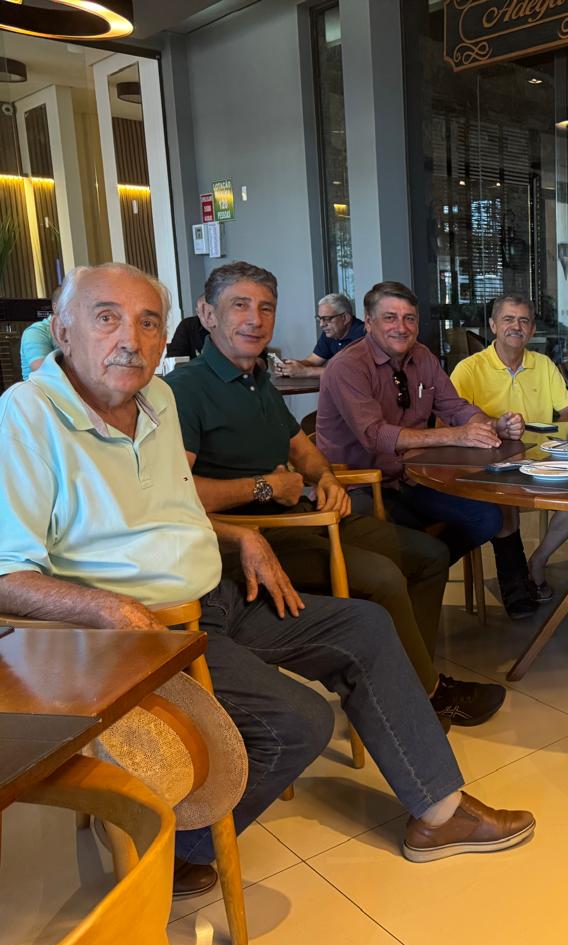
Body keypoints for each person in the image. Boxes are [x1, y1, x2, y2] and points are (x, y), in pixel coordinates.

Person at [0, 263, 535, 898]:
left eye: (147, 323)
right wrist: (109, 611)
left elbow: (173, 506)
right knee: (298, 721)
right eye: (106, 318)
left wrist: (240, 536)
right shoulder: (27, 416)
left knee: (365, 625)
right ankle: (169, 848)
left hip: (214, 598)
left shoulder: (156, 400)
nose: (131, 340)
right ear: (63, 330)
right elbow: (6, 574)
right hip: (140, 637)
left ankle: (439, 814)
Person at [166, 262, 504, 728]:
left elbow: (303, 451)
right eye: (240, 306)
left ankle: (409, 681)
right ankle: (423, 697)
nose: (255, 319)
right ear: (207, 314)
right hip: (246, 541)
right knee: (384, 576)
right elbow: (174, 495)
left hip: (305, 515)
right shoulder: (184, 390)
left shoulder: (256, 379)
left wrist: (323, 478)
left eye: (266, 308)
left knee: (429, 555)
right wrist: (266, 486)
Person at [316, 281, 538, 619]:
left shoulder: (422, 357)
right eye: (390, 317)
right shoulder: (347, 366)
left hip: (413, 479)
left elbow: (455, 407)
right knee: (418, 545)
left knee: (488, 516)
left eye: (409, 318)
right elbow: (375, 436)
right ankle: (409, 578)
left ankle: (417, 575)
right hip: (359, 486)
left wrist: (492, 425)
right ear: (369, 322)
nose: (401, 327)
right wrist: (456, 436)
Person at [450, 294, 568, 600]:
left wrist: (563, 434)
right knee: (505, 504)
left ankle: (538, 560)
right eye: (508, 319)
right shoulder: (469, 369)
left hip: (542, 461)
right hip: (489, 464)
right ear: (493, 325)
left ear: (532, 329)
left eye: (524, 321)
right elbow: (448, 422)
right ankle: (517, 591)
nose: (516, 326)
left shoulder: (543, 365)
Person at [278, 292, 365, 378]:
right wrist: (291, 366)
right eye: (319, 318)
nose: (321, 324)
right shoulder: (332, 333)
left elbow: (350, 371)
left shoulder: (365, 334)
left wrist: (305, 371)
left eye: (327, 319)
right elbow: (313, 361)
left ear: (345, 318)